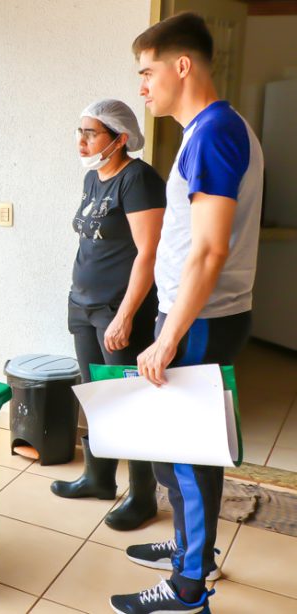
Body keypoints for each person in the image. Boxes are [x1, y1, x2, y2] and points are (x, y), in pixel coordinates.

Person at [110, 13, 263, 614]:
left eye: (147, 72)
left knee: (186, 449)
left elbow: (209, 247)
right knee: (190, 447)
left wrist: (169, 335)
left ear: (182, 65)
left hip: (199, 320)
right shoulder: (213, 130)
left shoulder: (214, 132)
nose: (142, 86)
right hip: (199, 315)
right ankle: (188, 550)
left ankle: (187, 588)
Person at [51, 99, 165, 532]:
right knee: (96, 393)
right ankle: (99, 478)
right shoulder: (92, 177)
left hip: (120, 310)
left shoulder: (138, 179)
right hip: (83, 304)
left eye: (91, 133)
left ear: (119, 138)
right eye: (79, 131)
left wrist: (125, 316)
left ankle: (142, 496)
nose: (81, 141)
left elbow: (148, 253)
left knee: (127, 398)